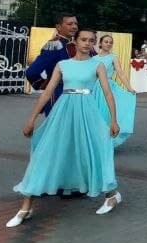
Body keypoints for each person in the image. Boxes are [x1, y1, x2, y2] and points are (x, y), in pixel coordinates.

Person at [7, 29, 121, 227]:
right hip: (63, 111)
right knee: (45, 152)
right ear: (75, 42)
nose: (87, 43)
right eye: (83, 39)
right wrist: (31, 119)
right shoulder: (62, 65)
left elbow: (108, 94)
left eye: (91, 41)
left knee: (94, 151)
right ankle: (26, 206)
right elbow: (46, 93)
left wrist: (113, 120)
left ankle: (112, 195)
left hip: (87, 113)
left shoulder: (98, 65)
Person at [24, 14, 79, 116]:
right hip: (59, 93)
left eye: (76, 23)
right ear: (58, 27)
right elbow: (32, 72)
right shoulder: (54, 45)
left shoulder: (76, 45)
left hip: (77, 94)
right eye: (70, 24)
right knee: (57, 128)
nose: (74, 26)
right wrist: (45, 84)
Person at [92, 34, 137, 148]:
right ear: (100, 43)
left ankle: (107, 141)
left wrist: (129, 88)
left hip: (108, 87)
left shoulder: (113, 57)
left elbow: (120, 73)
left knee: (107, 112)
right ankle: (96, 140)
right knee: (95, 114)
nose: (108, 44)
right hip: (95, 88)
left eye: (110, 42)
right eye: (106, 42)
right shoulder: (93, 59)